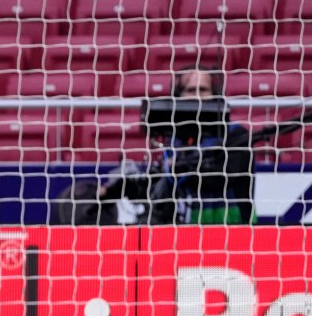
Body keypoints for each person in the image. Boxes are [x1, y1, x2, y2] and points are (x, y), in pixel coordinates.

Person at [95, 66, 255, 225]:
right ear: (179, 95)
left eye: (203, 90)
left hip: (235, 226)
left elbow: (223, 176)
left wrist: (179, 167)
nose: (198, 97)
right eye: (191, 90)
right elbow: (159, 183)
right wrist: (114, 189)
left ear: (214, 93)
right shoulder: (174, 140)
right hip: (192, 229)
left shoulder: (235, 134)